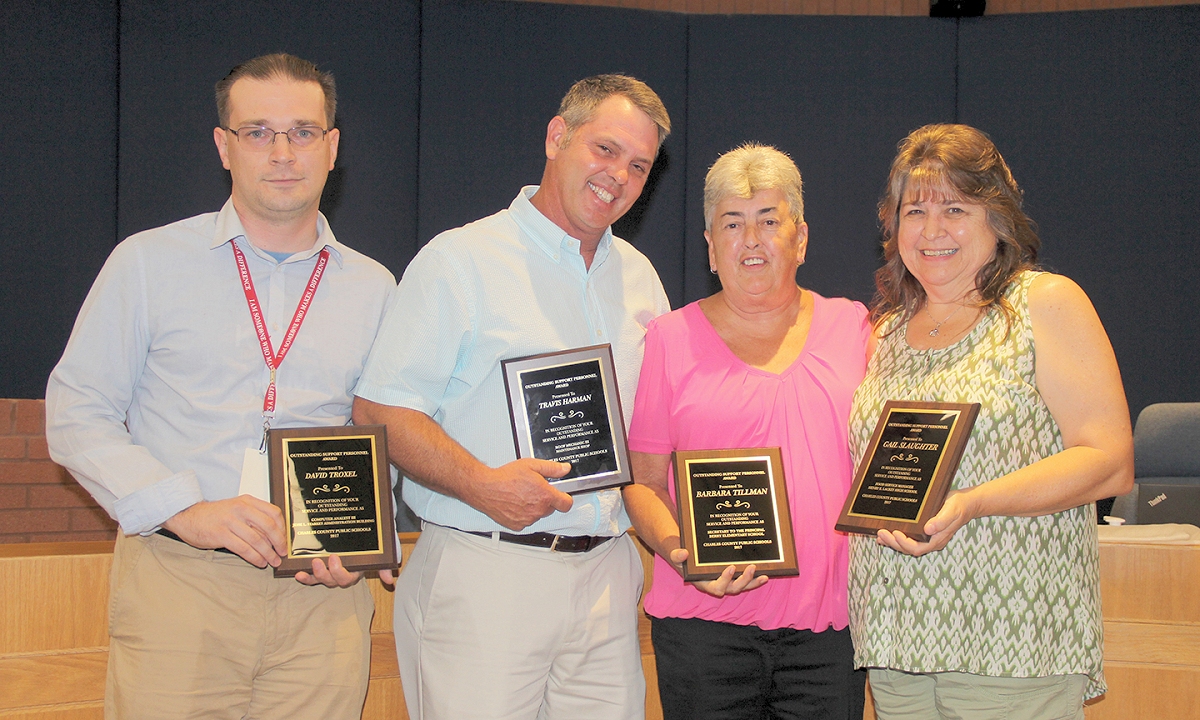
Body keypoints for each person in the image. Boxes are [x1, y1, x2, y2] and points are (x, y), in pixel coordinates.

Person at [45, 53, 396, 719]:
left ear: (332, 148)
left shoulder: (376, 288)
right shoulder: (148, 264)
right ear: (223, 147)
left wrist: (361, 537)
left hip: (321, 600)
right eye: (258, 132)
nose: (282, 152)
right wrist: (185, 509)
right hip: (181, 583)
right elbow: (76, 412)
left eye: (302, 131)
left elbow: (382, 432)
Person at [352, 74, 672, 720]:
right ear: (557, 136)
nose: (618, 176)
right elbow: (380, 410)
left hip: (607, 575)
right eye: (605, 149)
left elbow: (649, 438)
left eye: (638, 166)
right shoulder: (460, 260)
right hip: (485, 570)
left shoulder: (640, 279)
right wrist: (483, 485)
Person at [848, 123, 1134, 719]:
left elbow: (1109, 462)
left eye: (955, 208)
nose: (932, 230)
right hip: (896, 639)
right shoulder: (887, 331)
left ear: (997, 219)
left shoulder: (1043, 304)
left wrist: (972, 501)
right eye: (914, 210)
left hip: (1013, 636)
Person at [622, 143, 870, 719]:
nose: (751, 240)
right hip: (702, 631)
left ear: (800, 238)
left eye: (768, 220)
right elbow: (643, 485)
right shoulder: (668, 338)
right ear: (710, 245)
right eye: (732, 223)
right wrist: (684, 557)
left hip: (830, 630)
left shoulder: (855, 327)